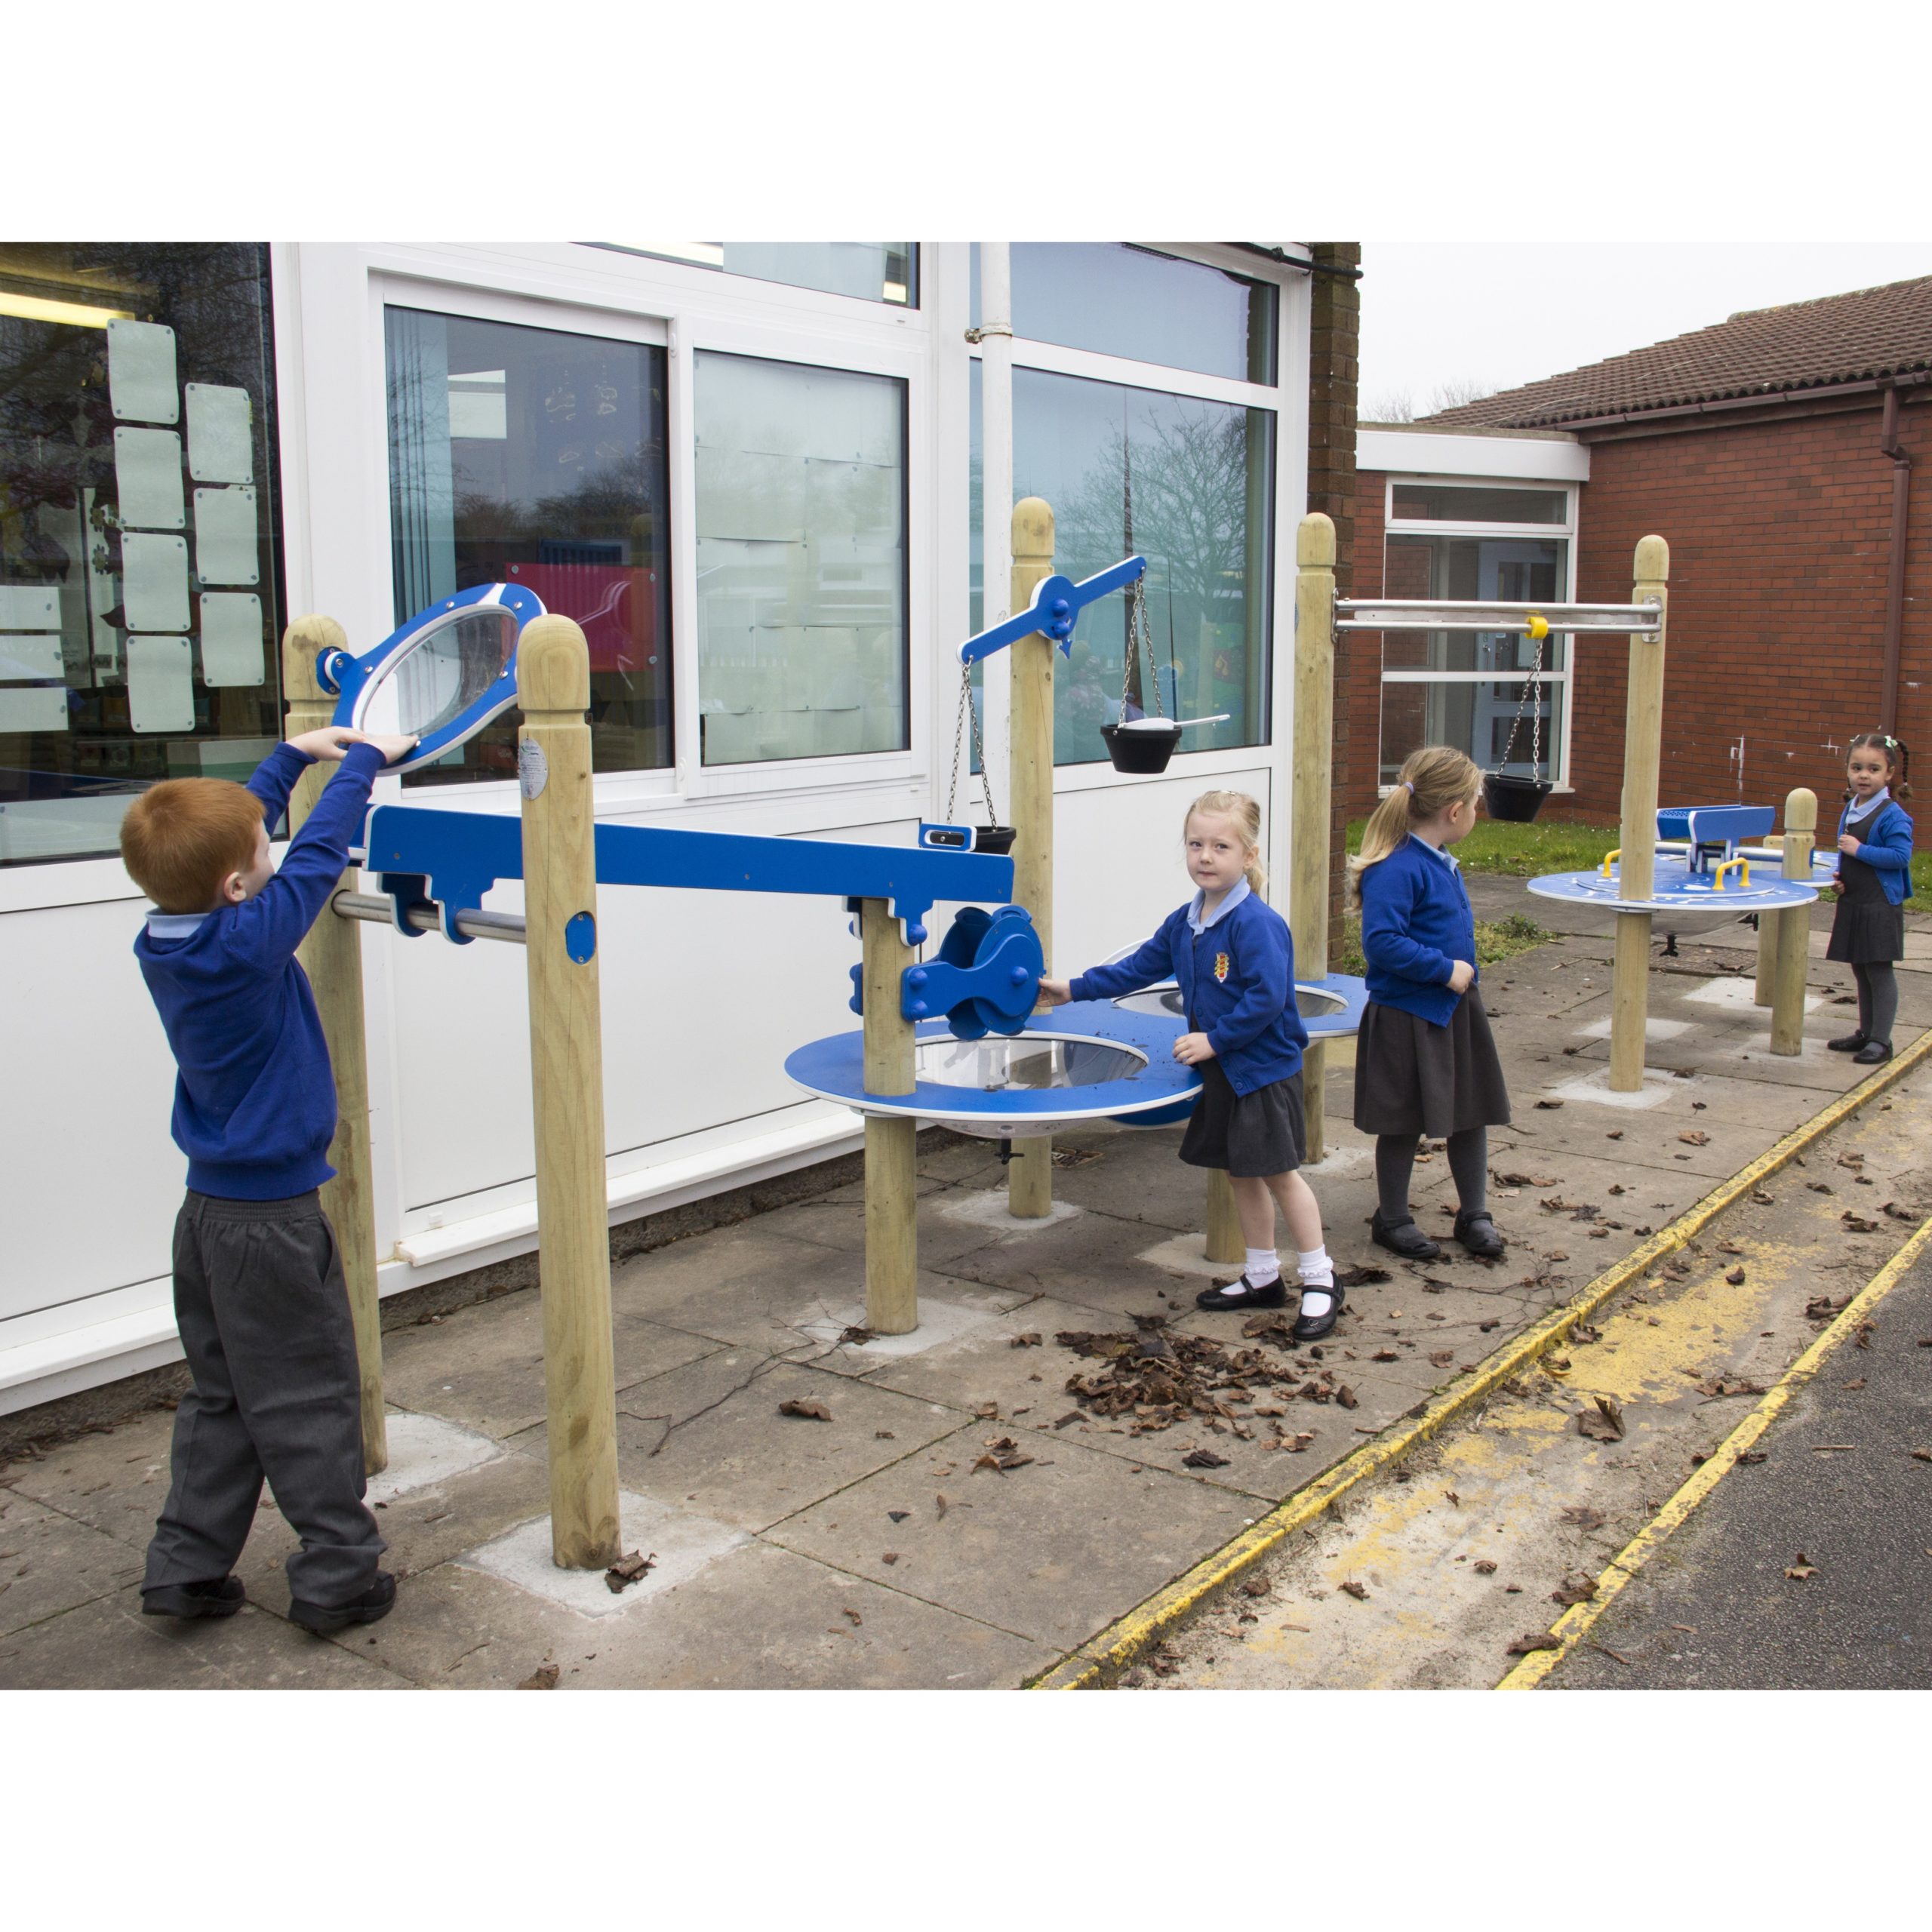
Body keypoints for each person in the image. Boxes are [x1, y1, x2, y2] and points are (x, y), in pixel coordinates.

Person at [118, 721, 417, 1635]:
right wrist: (362, 764)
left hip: (205, 1219)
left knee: (224, 1396)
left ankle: (185, 1569)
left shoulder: (166, 938)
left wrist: (290, 758)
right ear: (238, 888)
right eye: (260, 844)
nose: (271, 843)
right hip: (271, 1227)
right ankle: (337, 1574)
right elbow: (317, 856)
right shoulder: (246, 944)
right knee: (306, 1396)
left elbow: (236, 854)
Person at [1038, 789, 1340, 1338]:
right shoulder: (1187, 920)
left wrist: (1214, 1041)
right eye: (1196, 844)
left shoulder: (1256, 924)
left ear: (1248, 856)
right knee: (1240, 1172)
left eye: (1220, 846)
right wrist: (1073, 989)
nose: (1205, 856)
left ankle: (1320, 1278)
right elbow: (1138, 969)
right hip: (1226, 1071)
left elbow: (1267, 999)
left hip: (1263, 1072)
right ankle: (1262, 1274)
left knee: (1279, 1173)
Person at [1349, 746, 1510, 1264]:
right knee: (1402, 1121)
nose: (1478, 813)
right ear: (1455, 812)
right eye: (1476, 803)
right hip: (1405, 1016)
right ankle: (1391, 1218)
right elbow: (1382, 943)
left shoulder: (1440, 862)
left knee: (1471, 1112)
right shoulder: (1397, 868)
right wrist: (1445, 969)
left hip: (1455, 1012)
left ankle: (1474, 1213)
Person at [1826, 731, 1915, 1066]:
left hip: (1880, 903)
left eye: (1874, 769)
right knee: (1860, 967)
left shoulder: (1892, 815)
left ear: (1889, 774)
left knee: (1879, 969)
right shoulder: (1852, 806)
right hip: (1855, 900)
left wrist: (1860, 850)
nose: (1864, 775)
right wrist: (1841, 880)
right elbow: (1848, 857)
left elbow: (1900, 857)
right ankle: (1866, 1032)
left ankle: (1882, 1040)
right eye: (1857, 767)